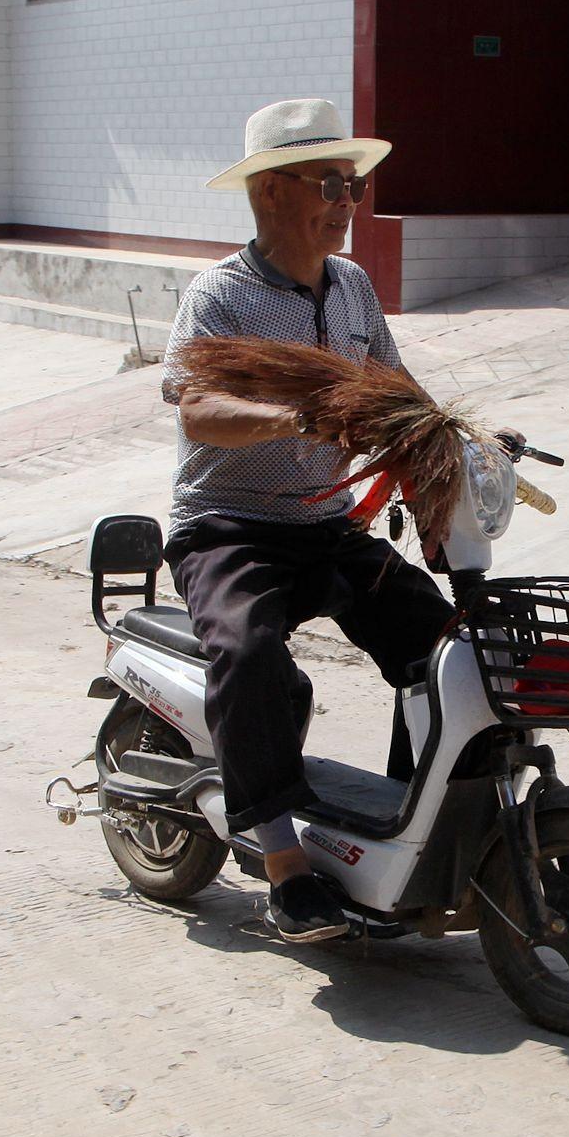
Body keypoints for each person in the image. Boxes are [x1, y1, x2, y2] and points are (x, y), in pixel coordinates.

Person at [160, 99, 456, 943]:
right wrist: (293, 417)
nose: (347, 201)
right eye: (331, 183)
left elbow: (394, 386)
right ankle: (286, 871)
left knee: (445, 652)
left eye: (354, 185)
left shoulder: (353, 286)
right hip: (231, 526)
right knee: (250, 653)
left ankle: (412, 836)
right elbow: (197, 407)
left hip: (328, 525)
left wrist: (448, 445)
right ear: (270, 195)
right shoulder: (221, 295)